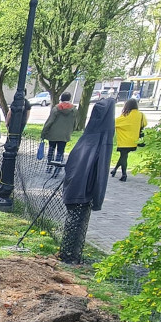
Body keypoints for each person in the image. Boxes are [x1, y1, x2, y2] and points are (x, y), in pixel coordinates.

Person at [59, 97, 116, 263]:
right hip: (80, 191)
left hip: (79, 190)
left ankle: (70, 253)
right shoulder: (97, 138)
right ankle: (69, 254)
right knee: (74, 223)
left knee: (75, 223)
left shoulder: (96, 136)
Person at [111, 98, 147, 181]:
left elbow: (114, 123)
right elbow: (145, 123)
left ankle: (124, 174)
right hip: (134, 141)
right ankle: (115, 170)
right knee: (123, 156)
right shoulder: (140, 115)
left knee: (123, 156)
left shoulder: (124, 116)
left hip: (124, 141)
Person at [40, 92, 76, 173]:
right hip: (65, 134)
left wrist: (44, 132)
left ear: (61, 98)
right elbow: (75, 122)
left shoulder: (56, 108)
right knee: (60, 151)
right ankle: (58, 167)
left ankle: (49, 166)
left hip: (53, 133)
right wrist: (71, 130)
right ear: (69, 99)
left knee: (51, 150)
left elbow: (50, 121)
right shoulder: (73, 110)